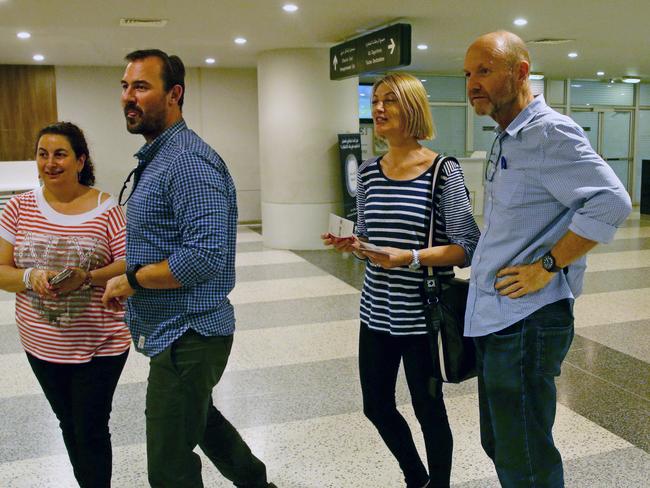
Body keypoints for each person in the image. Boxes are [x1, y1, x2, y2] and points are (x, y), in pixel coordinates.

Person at [463, 31, 632, 487]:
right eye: (467, 74)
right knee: (501, 444)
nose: (472, 83)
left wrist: (547, 267)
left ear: (520, 72)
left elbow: (611, 202)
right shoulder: (505, 136)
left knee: (526, 458)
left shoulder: (549, 133)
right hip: (497, 318)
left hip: (528, 321)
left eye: (484, 70)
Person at [101, 49, 276, 488]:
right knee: (200, 421)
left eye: (141, 86)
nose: (128, 97)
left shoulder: (187, 163)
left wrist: (134, 280)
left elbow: (204, 256)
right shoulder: (158, 158)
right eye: (125, 86)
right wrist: (107, 276)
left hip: (190, 334)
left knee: (168, 466)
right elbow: (161, 244)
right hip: (175, 331)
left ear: (174, 94)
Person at [323, 73, 480, 488]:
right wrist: (354, 245)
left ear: (411, 108)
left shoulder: (442, 171)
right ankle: (417, 478)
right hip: (375, 310)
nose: (378, 109)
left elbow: (467, 245)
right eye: (375, 101)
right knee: (375, 406)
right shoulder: (370, 173)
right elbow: (373, 240)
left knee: (429, 408)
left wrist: (409, 257)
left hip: (423, 314)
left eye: (389, 100)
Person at [0, 122, 130, 487]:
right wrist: (31, 276)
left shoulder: (107, 208)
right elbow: (1, 270)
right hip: (41, 344)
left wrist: (87, 276)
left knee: (89, 425)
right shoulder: (18, 208)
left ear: (79, 160)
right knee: (68, 422)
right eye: (43, 154)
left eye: (60, 154)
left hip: (100, 344)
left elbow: (127, 263)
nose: (50, 163)